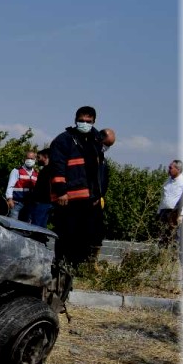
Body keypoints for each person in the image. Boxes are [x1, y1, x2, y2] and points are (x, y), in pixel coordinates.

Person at [49, 106, 110, 267]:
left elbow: (98, 170)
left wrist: (98, 194)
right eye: (81, 120)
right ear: (75, 120)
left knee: (88, 235)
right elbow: (57, 167)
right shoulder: (64, 139)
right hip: (69, 198)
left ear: (94, 121)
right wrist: (61, 191)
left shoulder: (96, 140)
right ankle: (63, 266)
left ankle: (79, 266)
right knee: (67, 234)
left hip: (90, 199)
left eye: (88, 121)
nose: (84, 124)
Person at [157, 159, 183, 247]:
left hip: (175, 212)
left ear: (178, 169)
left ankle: (174, 254)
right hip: (164, 211)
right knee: (163, 235)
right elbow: (163, 197)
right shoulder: (167, 181)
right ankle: (162, 253)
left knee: (174, 235)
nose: (168, 169)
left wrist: (181, 214)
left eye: (170, 168)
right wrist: (159, 211)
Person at [4, 150, 39, 221]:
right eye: (28, 158)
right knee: (14, 224)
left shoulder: (36, 173)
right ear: (24, 159)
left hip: (28, 205)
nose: (29, 160)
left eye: (32, 158)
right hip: (16, 203)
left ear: (35, 160)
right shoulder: (16, 170)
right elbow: (10, 186)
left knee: (25, 225)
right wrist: (9, 199)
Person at [26, 148, 54, 229]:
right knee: (42, 227)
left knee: (36, 226)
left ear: (45, 157)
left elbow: (43, 188)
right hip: (47, 203)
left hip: (42, 202)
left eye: (39, 157)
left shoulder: (46, 171)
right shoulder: (50, 169)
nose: (37, 160)